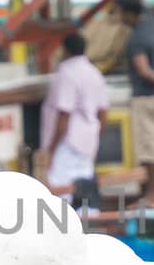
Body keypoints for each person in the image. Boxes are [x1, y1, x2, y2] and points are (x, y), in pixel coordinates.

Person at [110, 0, 154, 201]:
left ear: (128, 13)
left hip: (146, 98)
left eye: (120, 12)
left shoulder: (137, 38)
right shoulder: (150, 19)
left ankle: (153, 194)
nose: (119, 17)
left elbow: (142, 69)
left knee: (150, 149)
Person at [39, 32, 110, 195]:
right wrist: (96, 139)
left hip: (67, 142)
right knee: (85, 192)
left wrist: (51, 148)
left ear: (65, 50)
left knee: (62, 194)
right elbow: (103, 113)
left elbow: (64, 113)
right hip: (88, 142)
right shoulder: (95, 73)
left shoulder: (66, 73)